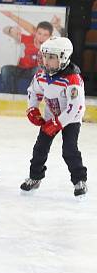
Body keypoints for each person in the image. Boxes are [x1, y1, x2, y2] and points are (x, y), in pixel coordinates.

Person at [21, 37, 87, 198]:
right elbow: (33, 92)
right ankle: (35, 177)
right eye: (45, 56)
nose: (46, 60)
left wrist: (58, 123)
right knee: (40, 148)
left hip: (71, 120)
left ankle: (80, 180)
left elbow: (75, 108)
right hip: (51, 118)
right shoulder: (41, 76)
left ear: (63, 58)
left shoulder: (72, 80)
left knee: (69, 150)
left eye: (51, 57)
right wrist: (32, 109)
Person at [0, 14, 54, 94]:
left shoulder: (50, 47)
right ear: (36, 33)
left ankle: (35, 96)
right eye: (39, 33)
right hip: (21, 69)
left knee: (39, 70)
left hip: (34, 71)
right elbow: (5, 30)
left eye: (45, 35)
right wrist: (11, 29)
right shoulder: (27, 39)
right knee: (5, 70)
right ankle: (10, 95)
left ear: (49, 37)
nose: (41, 37)